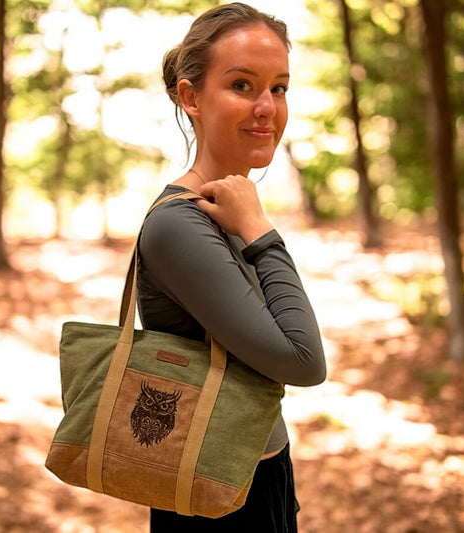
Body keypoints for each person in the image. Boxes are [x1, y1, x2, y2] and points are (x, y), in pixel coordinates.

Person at [137, 3, 326, 532]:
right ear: (191, 97)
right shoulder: (180, 225)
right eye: (243, 85)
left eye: (279, 87)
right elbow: (304, 360)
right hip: (216, 495)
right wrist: (262, 232)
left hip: (256, 470)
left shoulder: (225, 210)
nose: (267, 106)